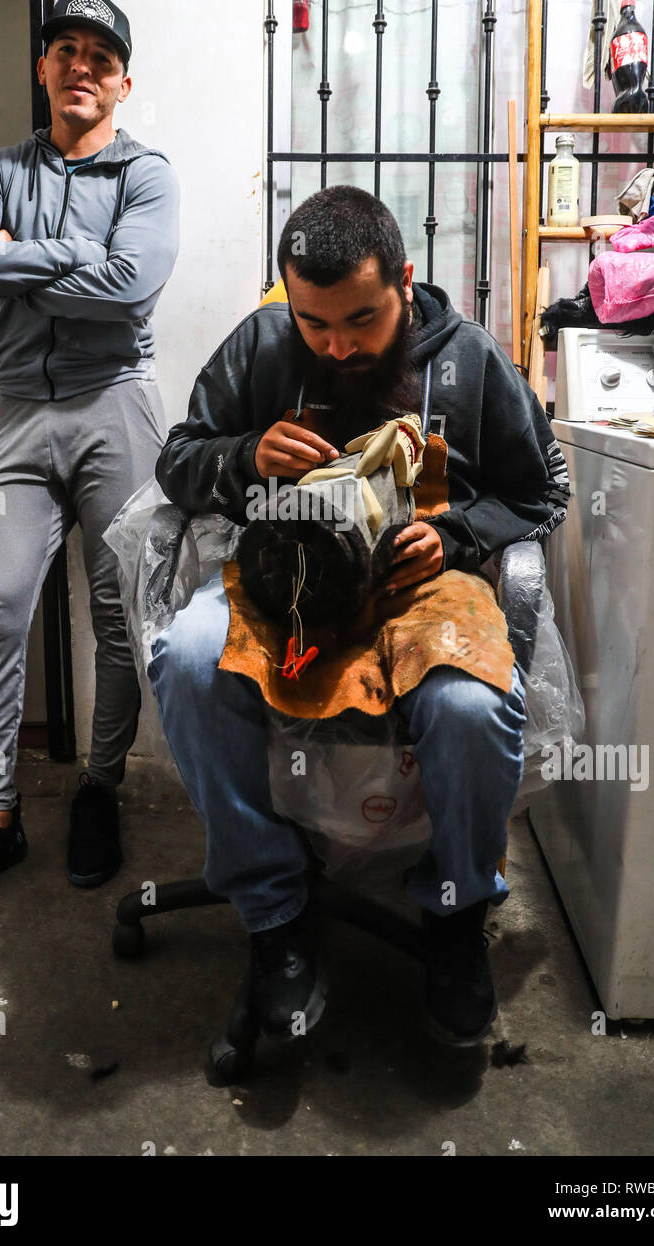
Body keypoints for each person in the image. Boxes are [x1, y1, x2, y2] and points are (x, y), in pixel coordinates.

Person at [149, 186, 569, 1044]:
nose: (336, 345)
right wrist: (241, 455)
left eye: (361, 321)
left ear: (404, 283)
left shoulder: (469, 359)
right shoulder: (264, 344)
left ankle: (455, 919)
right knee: (189, 661)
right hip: (285, 579)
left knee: (468, 704)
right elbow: (179, 460)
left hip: (424, 586)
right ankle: (274, 913)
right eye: (314, 323)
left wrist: (454, 535)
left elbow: (541, 490)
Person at [0, 0, 180, 920]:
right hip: (22, 414)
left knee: (118, 616)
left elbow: (133, 282)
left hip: (118, 409)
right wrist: (74, 258)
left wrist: (20, 255)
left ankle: (99, 789)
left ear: (122, 82)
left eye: (99, 56)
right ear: (43, 69)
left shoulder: (148, 176)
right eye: (65, 49)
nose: (81, 66)